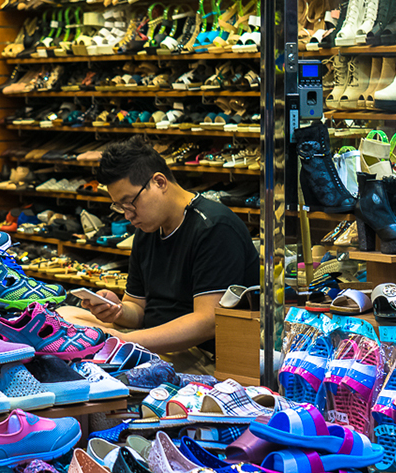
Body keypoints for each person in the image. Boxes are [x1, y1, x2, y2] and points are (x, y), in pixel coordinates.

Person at [57, 136, 259, 374]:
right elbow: (137, 309)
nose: (127, 215)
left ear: (159, 182)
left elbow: (207, 323)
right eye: (119, 207)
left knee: (81, 346)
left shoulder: (214, 227)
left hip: (199, 353)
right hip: (152, 340)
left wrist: (122, 339)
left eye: (129, 202)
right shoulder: (148, 229)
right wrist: (117, 310)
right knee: (64, 315)